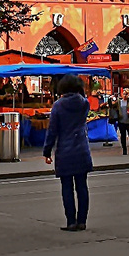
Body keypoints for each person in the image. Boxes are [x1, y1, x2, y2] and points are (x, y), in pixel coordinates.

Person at [43, 73, 93, 231]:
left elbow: (52, 130)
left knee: (67, 188)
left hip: (64, 149)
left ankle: (71, 221)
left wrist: (47, 151)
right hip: (81, 148)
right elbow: (83, 99)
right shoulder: (84, 103)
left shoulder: (58, 105)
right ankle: (82, 220)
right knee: (82, 187)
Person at [117, 89, 129, 155]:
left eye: (126, 94)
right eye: (124, 94)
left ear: (128, 95)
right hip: (121, 121)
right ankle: (124, 150)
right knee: (123, 136)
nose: (125, 95)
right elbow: (114, 107)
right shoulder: (119, 102)